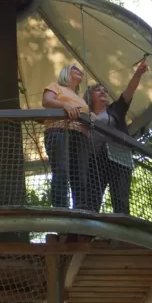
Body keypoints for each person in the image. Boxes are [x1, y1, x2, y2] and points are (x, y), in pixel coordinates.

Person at [83, 59, 149, 214]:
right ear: (89, 96)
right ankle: (88, 231)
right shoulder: (83, 115)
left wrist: (138, 74)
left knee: (120, 198)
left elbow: (129, 92)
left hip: (119, 157)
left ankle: (122, 231)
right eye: (97, 90)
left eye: (105, 90)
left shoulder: (115, 110)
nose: (103, 92)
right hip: (96, 160)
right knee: (92, 198)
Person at [41, 64, 91, 209]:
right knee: (62, 171)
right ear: (66, 73)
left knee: (80, 175)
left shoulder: (79, 98)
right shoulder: (56, 86)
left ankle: (81, 210)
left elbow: (83, 113)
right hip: (59, 131)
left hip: (80, 136)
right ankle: (60, 209)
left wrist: (90, 115)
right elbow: (47, 101)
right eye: (75, 69)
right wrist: (64, 105)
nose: (80, 71)